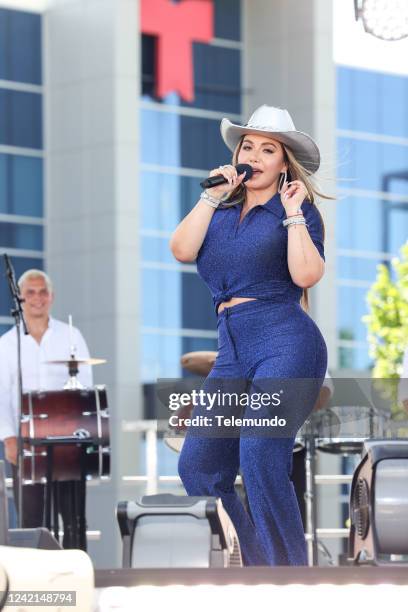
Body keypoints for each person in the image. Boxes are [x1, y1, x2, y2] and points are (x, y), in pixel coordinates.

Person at [169, 104, 330, 566]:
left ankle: (291, 580)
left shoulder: (297, 211)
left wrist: (295, 215)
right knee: (198, 466)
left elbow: (306, 274)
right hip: (232, 352)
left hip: (285, 342)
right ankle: (259, 568)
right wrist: (211, 196)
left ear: (284, 163)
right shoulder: (219, 212)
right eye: (248, 146)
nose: (254, 156)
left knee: (259, 454)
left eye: (268, 149)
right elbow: (182, 249)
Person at [0, 269, 92, 546]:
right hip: (26, 443)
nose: (37, 298)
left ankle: (77, 577)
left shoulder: (71, 336)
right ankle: (35, 581)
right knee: (31, 519)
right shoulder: (6, 344)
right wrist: (9, 438)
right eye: (30, 292)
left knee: (74, 519)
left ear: (51, 297)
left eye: (43, 292)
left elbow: (85, 386)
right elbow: (1, 395)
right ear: (20, 298)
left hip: (67, 444)